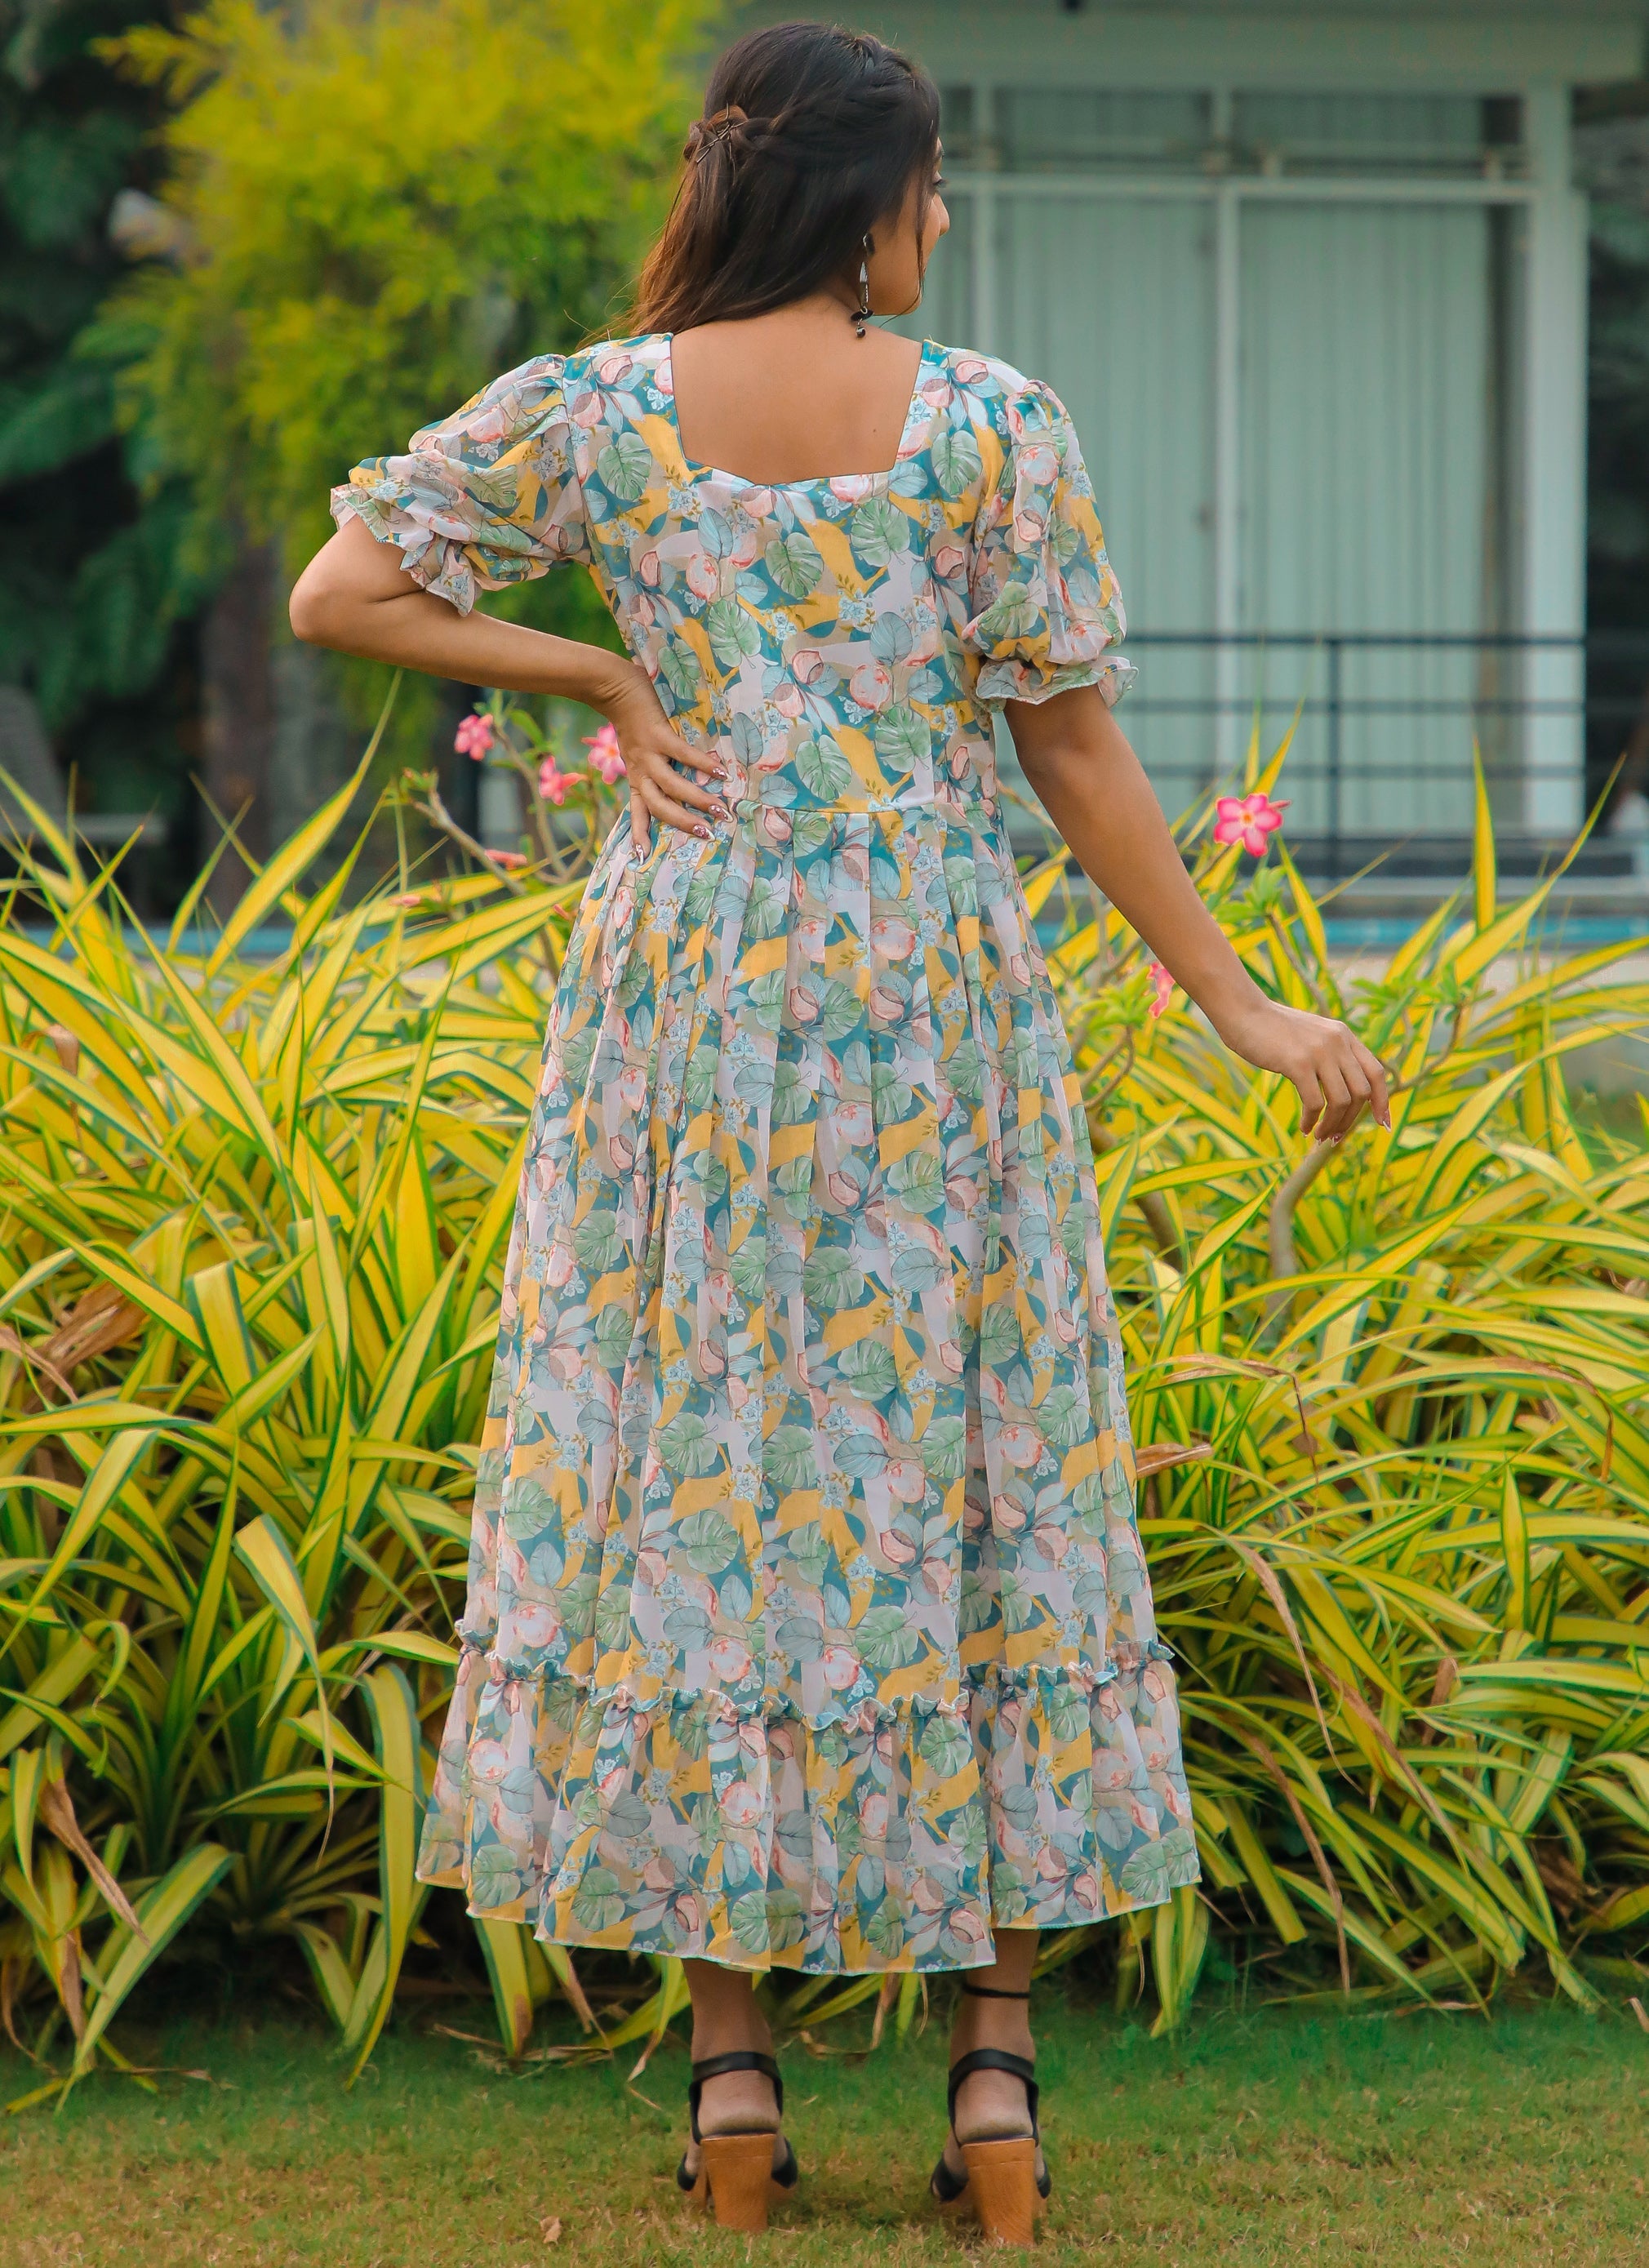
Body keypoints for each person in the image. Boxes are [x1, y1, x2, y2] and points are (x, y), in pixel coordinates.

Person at [291, 20, 1389, 2244]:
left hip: (686, 997)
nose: (948, 216)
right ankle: (992, 2073)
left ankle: (729, 2077)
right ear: (869, 198)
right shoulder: (989, 423)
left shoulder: (596, 411)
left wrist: (597, 674)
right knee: (974, 1456)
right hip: (924, 999)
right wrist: (1243, 1002)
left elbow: (342, 589)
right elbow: (1071, 754)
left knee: (707, 1482)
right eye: (934, 179)